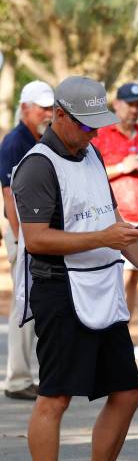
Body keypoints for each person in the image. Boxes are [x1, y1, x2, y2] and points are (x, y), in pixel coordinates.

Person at [11, 76, 138, 461]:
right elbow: (37, 239)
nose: (93, 134)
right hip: (59, 291)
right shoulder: (36, 167)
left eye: (97, 125)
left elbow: (114, 225)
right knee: (55, 398)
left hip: (102, 289)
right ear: (59, 114)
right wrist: (104, 238)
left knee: (127, 392)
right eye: (85, 125)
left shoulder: (92, 154)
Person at [93, 82, 138, 360]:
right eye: (129, 103)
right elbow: (93, 174)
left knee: (133, 280)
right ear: (117, 104)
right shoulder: (102, 134)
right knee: (117, 283)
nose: (134, 109)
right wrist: (124, 166)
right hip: (114, 219)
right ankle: (111, 342)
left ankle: (123, 338)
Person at [0, 81, 54, 400]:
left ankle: (28, 375)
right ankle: (18, 380)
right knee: (24, 305)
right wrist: (23, 242)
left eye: (50, 107)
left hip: (39, 234)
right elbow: (9, 196)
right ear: (24, 108)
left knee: (37, 303)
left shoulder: (41, 139)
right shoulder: (14, 142)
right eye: (42, 107)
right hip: (23, 235)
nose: (48, 113)